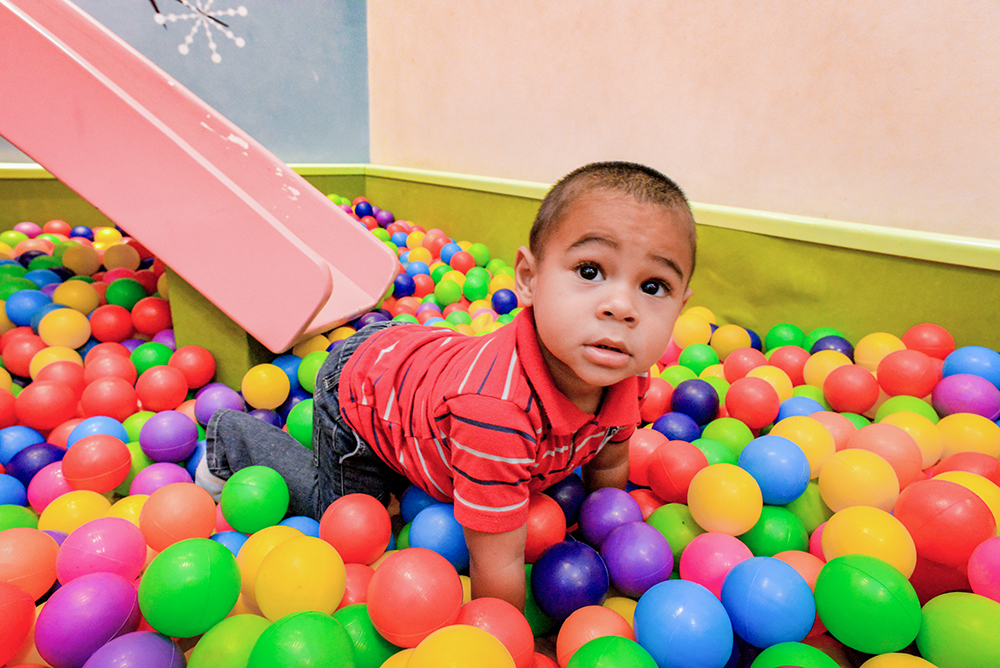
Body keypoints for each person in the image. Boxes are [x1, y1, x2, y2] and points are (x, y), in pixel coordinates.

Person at [200, 160, 697, 611]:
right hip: (366, 389)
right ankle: (233, 439)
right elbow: (497, 562)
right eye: (590, 271)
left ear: (681, 305)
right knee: (354, 521)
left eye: (653, 286)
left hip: (421, 363)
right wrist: (508, 642)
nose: (622, 307)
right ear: (528, 279)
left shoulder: (625, 368)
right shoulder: (498, 412)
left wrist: (604, 532)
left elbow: (609, 459)